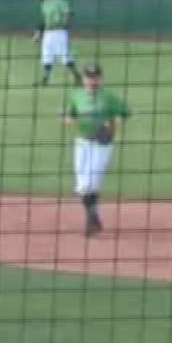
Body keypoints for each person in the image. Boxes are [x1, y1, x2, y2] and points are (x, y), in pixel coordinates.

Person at [62, 62, 131, 238]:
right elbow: (69, 114)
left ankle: (90, 220)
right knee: (82, 187)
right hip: (82, 144)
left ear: (101, 79)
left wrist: (112, 124)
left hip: (101, 145)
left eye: (95, 77)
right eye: (89, 77)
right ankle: (94, 219)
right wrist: (68, 119)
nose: (92, 81)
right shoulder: (76, 95)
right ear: (84, 79)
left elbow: (125, 113)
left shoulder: (108, 98)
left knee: (89, 184)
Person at [35, 0, 79, 87]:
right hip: (48, 33)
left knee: (65, 56)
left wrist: (65, 24)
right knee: (47, 55)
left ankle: (77, 76)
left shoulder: (60, 1)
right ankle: (45, 79)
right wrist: (38, 33)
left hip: (59, 32)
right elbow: (43, 21)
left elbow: (69, 12)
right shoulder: (44, 4)